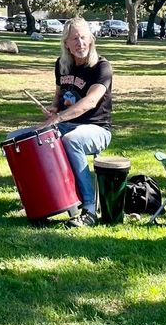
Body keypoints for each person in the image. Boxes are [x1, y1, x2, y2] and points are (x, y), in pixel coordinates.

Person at [8, 17, 113, 227]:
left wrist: (58, 118)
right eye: (74, 39)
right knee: (16, 139)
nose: (80, 43)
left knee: (72, 140)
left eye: (83, 37)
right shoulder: (62, 64)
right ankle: (38, 201)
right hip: (63, 125)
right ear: (66, 43)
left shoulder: (102, 67)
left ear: (91, 40)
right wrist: (55, 108)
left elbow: (90, 102)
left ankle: (89, 209)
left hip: (96, 129)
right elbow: (60, 95)